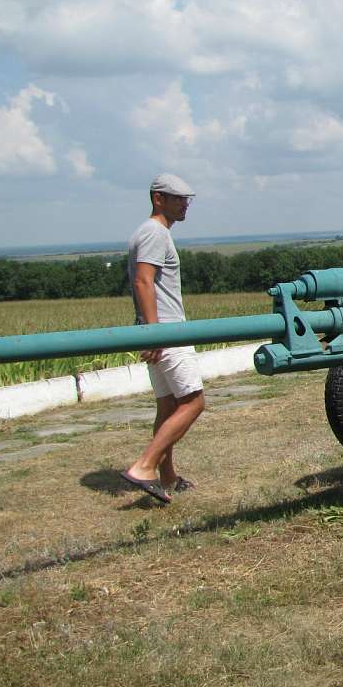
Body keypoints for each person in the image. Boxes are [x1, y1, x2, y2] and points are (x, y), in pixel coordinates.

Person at [119, 174, 205, 504]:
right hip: (167, 331)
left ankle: (166, 476)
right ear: (158, 199)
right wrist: (156, 332)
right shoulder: (155, 232)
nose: (185, 204)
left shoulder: (148, 231)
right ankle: (145, 466)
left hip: (156, 330)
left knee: (168, 405)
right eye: (178, 198)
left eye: (188, 198)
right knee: (194, 402)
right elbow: (143, 281)